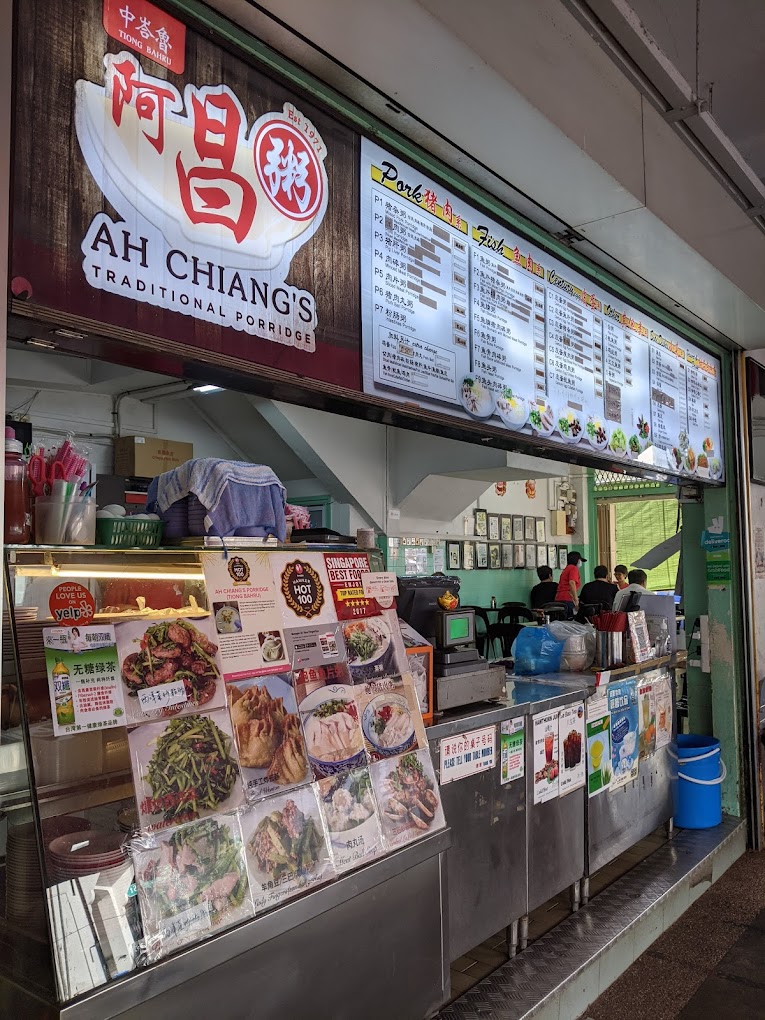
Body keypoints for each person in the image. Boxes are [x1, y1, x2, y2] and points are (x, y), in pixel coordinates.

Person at [555, 551, 586, 617]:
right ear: (577, 560)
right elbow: (572, 583)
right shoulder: (573, 568)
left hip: (559, 598)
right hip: (568, 598)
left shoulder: (567, 568)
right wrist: (576, 599)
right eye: (580, 560)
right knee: (570, 620)